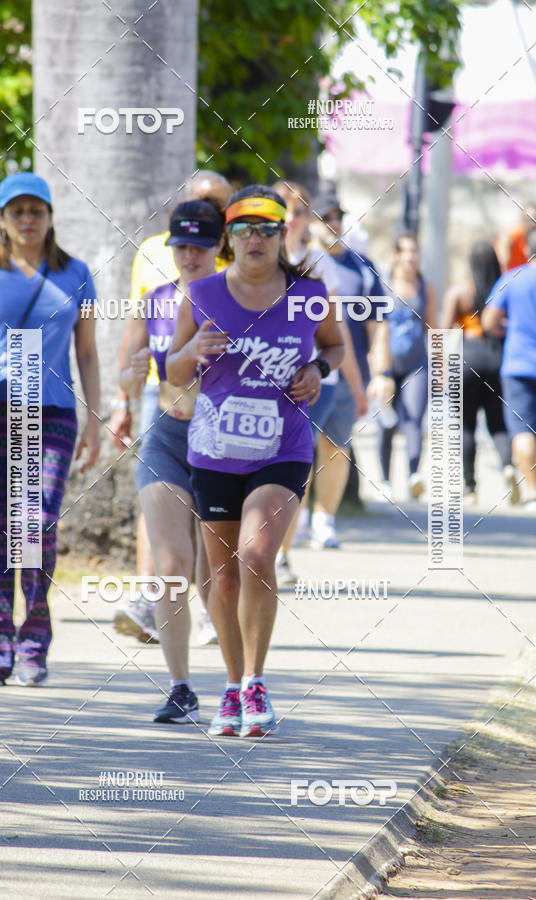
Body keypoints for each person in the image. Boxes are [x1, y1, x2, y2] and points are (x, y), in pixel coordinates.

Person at [166, 185, 345, 738]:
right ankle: (230, 683)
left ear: (283, 233)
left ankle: (256, 682)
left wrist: (319, 370)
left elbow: (335, 346)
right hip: (216, 450)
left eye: (267, 228)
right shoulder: (202, 293)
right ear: (228, 237)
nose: (255, 238)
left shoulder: (310, 294)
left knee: (256, 555)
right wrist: (192, 354)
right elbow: (170, 370)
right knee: (220, 577)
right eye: (243, 228)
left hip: (283, 448)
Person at [0, 172, 100, 686]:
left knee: (37, 527)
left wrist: (95, 419)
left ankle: (33, 644)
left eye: (36, 210)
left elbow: (88, 352)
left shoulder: (78, 274)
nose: (27, 219)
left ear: (50, 218)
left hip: (50, 414)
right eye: (17, 211)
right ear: (2, 220)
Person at [110, 171, 231, 646]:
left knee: (214, 548)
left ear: (216, 247)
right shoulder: (154, 301)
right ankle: (165, 627)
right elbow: (126, 371)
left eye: (198, 248)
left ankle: (217, 621)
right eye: (181, 247)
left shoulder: (235, 298)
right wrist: (130, 379)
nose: (188, 257)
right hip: (165, 426)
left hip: (222, 434)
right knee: (169, 544)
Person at [271, 181, 366, 566]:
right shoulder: (251, 259)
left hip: (313, 382)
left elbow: (336, 332)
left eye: (298, 212)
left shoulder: (319, 263)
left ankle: (280, 552)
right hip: (263, 380)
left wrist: (357, 385)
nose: (293, 220)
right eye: (287, 212)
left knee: (297, 463)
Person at [310, 192, 387, 511]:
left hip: (348, 372)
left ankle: (324, 521)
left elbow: (379, 324)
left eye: (338, 217)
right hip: (306, 370)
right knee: (300, 452)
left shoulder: (363, 267)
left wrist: (381, 373)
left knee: (337, 449)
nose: (334, 223)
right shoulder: (300, 262)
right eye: (326, 217)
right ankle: (294, 527)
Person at [442, 241, 518, 503]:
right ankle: (508, 466)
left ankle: (470, 487)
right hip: (497, 358)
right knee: (498, 422)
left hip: (467, 359)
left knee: (466, 425)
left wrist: (440, 371)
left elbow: (444, 330)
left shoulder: (461, 292)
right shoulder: (502, 289)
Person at [372, 231, 437, 500]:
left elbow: (433, 328)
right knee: (387, 422)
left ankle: (413, 476)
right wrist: (375, 370)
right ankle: (384, 480)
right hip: (387, 364)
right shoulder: (383, 285)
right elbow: (374, 329)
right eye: (406, 251)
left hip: (416, 364)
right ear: (396, 255)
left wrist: (440, 368)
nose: (411, 257)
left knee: (413, 417)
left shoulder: (426, 287)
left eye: (415, 251)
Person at [482, 227, 536, 510]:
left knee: (522, 429)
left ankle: (531, 491)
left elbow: (489, 322)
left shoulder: (512, 279)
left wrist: (511, 327)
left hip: (518, 366)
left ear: (527, 250)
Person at [494, 202, 536, 272]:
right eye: (529, 219)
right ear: (522, 221)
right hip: (511, 276)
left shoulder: (532, 238)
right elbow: (504, 242)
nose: (533, 224)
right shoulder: (514, 234)